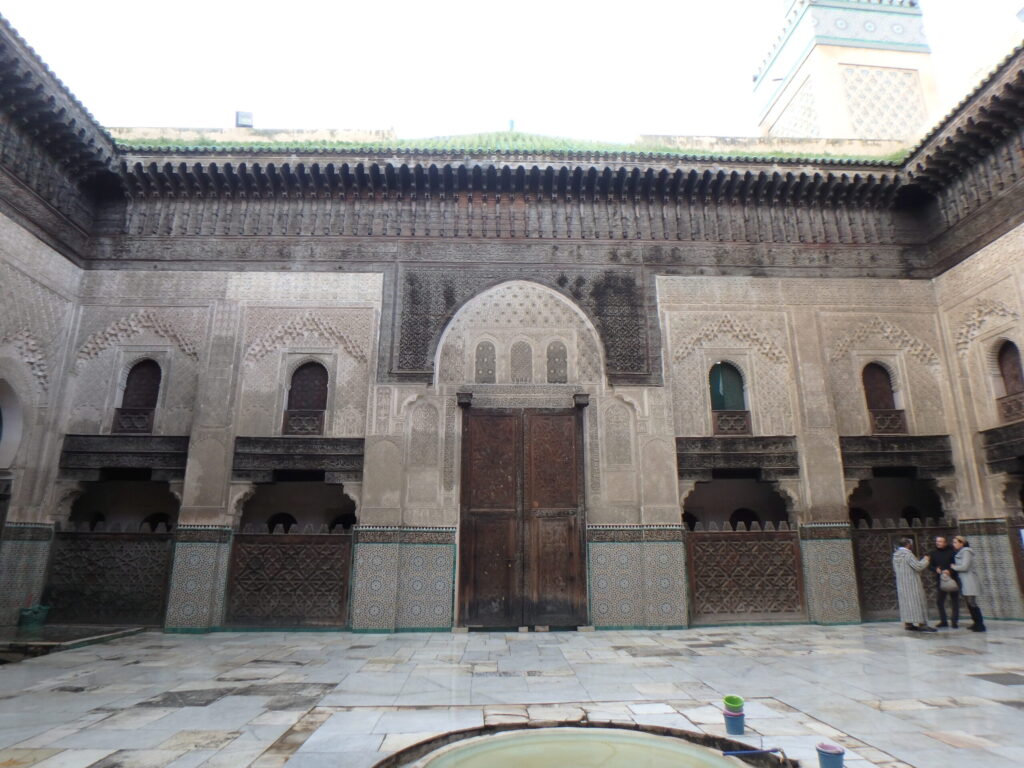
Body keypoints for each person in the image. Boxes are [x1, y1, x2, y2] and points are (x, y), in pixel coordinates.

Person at [892, 537, 936, 632]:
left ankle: (908, 623)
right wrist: (926, 560)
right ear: (908, 545)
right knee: (917, 602)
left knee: (906, 604)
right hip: (912, 584)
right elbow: (918, 566)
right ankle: (922, 624)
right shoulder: (907, 554)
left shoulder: (896, 555)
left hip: (902, 585)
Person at [947, 535, 986, 632]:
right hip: (964, 580)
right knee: (969, 603)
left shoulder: (967, 552)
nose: (954, 544)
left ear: (962, 543)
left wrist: (954, 567)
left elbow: (965, 567)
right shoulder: (960, 552)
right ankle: (975, 622)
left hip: (970, 580)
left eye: (956, 542)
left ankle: (980, 624)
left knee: (972, 603)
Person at [929, 535, 959, 628]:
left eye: (941, 541)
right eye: (937, 541)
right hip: (941, 580)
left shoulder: (952, 552)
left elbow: (957, 564)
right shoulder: (933, 553)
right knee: (940, 601)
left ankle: (954, 621)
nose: (938, 543)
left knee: (954, 601)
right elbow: (930, 565)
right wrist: (935, 569)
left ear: (945, 543)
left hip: (952, 579)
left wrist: (950, 571)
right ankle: (943, 621)